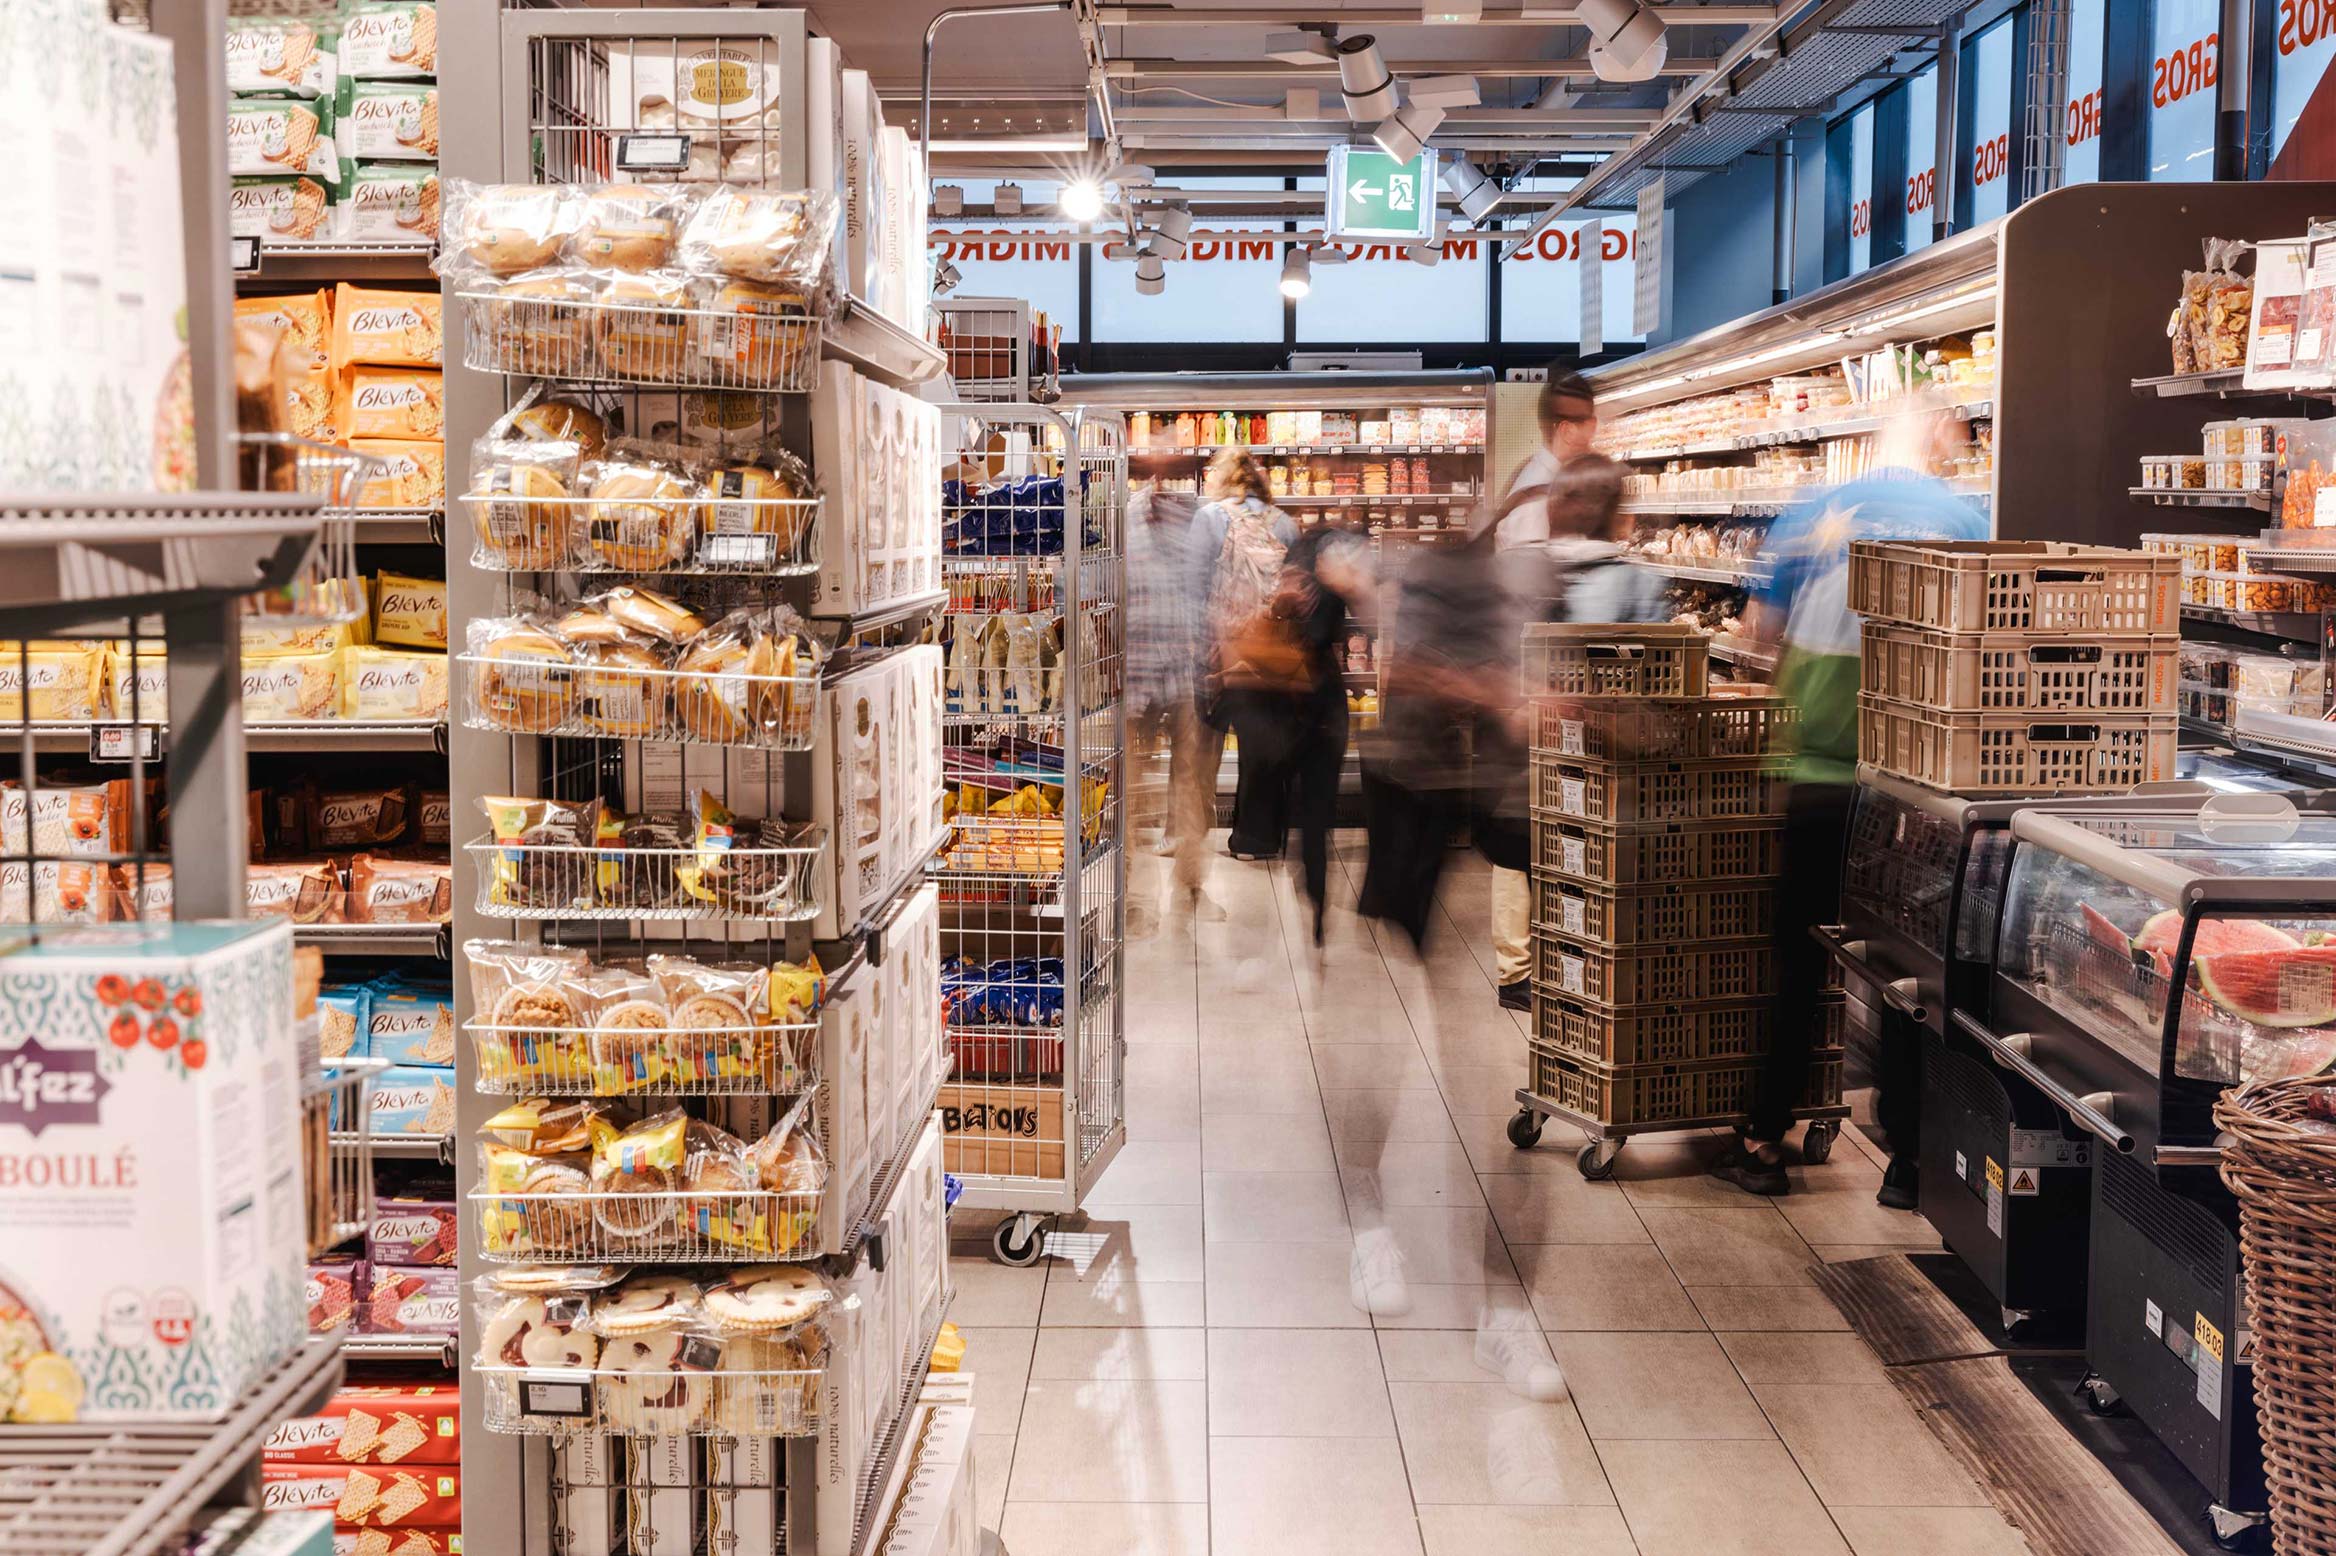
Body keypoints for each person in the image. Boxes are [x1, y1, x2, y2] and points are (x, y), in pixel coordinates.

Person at [1709, 409, 1988, 1203]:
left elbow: (1759, 638)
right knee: (1906, 974)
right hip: (1915, 785)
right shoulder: (1967, 519)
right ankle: (1909, 1160)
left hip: (1820, 771)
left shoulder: (1808, 517)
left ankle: (1764, 1139)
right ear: (1938, 446)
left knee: (1797, 957)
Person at [1487, 372, 1634, 1012]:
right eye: (1591, 423)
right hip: (1535, 693)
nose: (1595, 435)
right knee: (1530, 828)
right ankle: (1519, 967)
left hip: (1538, 692)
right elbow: (1528, 603)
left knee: (1541, 822)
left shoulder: (1540, 485)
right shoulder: (1537, 496)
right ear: (1568, 427)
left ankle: (1543, 957)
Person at [1123, 447, 1223, 923]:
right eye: (1152, 467)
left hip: (1184, 674)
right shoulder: (1125, 519)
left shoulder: (1200, 521)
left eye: (1172, 467)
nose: (1162, 477)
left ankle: (1192, 889)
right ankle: (1135, 901)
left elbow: (1211, 590)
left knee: (1190, 786)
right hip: (1135, 673)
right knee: (1129, 792)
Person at [1187, 445, 1301, 864]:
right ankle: (1255, 838)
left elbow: (1194, 588)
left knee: (1202, 746)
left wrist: (1201, 651)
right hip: (1267, 652)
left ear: (1225, 476)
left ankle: (1191, 830)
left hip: (1222, 651)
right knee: (1260, 749)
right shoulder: (1283, 522)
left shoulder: (1209, 517)